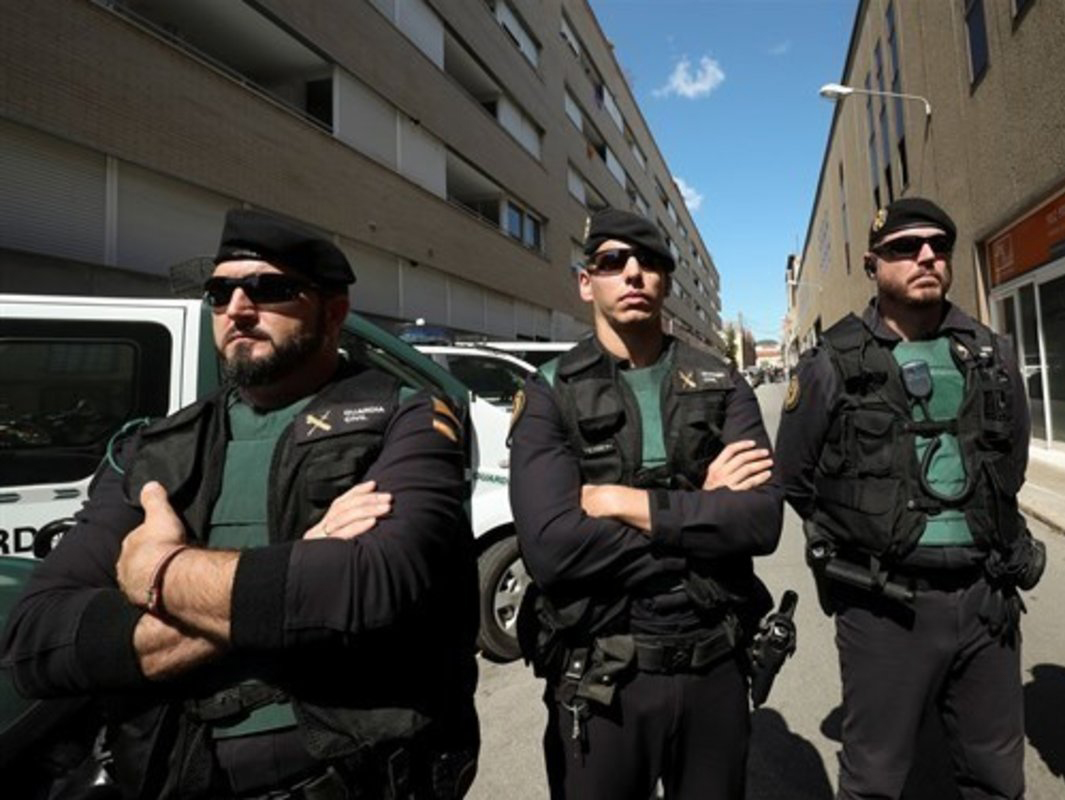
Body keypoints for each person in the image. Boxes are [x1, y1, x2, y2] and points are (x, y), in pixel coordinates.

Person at [1, 209, 480, 799]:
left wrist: (158, 570)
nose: (237, 308)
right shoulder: (155, 448)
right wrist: (298, 563)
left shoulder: (402, 417)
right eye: (220, 291)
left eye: (271, 289)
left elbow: (372, 582)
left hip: (356, 774)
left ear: (334, 313)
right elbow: (38, 639)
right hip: (176, 774)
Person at [776, 197, 1045, 800]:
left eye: (938, 246)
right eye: (904, 247)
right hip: (883, 606)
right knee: (876, 779)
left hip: (986, 598)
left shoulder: (990, 353)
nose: (926, 256)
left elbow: (1014, 463)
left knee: (997, 776)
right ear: (874, 264)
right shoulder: (832, 364)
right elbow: (793, 475)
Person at [509, 208, 783, 800]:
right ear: (587, 281)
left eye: (650, 262)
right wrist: (705, 507)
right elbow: (553, 551)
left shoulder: (721, 381)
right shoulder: (548, 392)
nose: (633, 272)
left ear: (665, 282)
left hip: (715, 665)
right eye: (612, 261)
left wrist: (621, 503)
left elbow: (761, 521)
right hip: (603, 679)